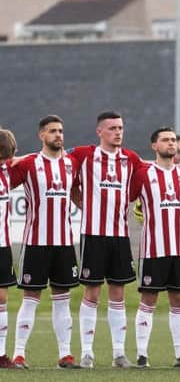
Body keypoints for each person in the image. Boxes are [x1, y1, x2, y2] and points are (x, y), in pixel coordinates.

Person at [66, 111, 144, 368]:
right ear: (99, 131)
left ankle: (119, 354)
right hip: (93, 234)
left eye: (120, 127)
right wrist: (79, 199)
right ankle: (87, 353)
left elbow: (157, 168)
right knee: (91, 292)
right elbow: (54, 161)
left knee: (118, 293)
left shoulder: (130, 158)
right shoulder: (83, 155)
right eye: (112, 128)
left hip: (120, 236)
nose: (118, 132)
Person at [10, 115, 80, 369]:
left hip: (64, 243)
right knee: (31, 297)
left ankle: (66, 355)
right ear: (42, 135)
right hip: (36, 242)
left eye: (61, 131)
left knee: (63, 297)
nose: (58, 135)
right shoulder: (28, 163)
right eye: (53, 131)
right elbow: (4, 180)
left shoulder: (72, 163)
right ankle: (19, 354)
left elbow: (77, 192)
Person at [129, 127, 180, 368]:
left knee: (179, 299)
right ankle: (142, 355)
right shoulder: (143, 174)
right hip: (153, 249)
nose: (171, 144)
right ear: (154, 146)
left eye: (173, 140)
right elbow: (127, 198)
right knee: (149, 299)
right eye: (165, 140)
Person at [0, 130, 17, 368]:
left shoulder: (7, 172)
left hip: (2, 245)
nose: (5, 161)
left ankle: (1, 353)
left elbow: (27, 159)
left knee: (2, 298)